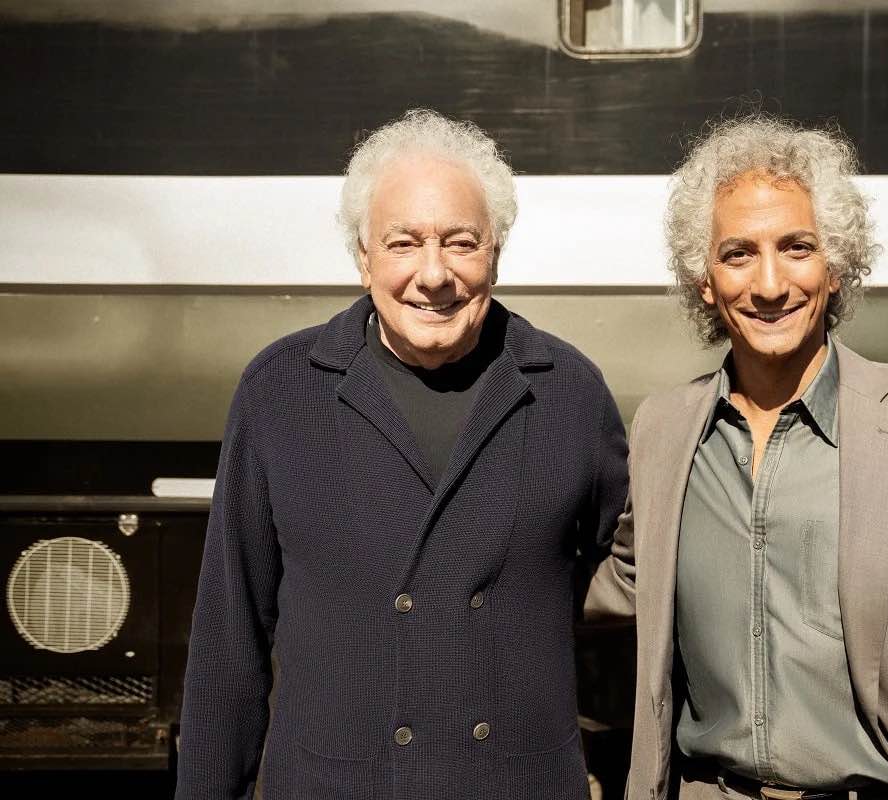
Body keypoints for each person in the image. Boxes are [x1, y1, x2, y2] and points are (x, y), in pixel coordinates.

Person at [587, 116, 888, 800]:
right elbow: (623, 579)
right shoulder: (665, 429)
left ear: (834, 268)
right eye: (738, 254)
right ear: (705, 281)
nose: (770, 284)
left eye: (797, 247)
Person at [176, 109, 628, 800]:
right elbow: (228, 638)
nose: (433, 274)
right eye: (403, 243)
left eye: (461, 242)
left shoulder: (568, 391)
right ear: (364, 257)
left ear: (496, 252)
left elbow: (623, 598)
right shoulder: (281, 388)